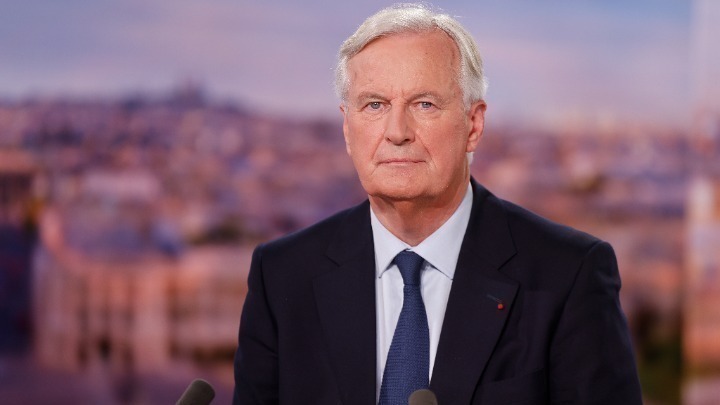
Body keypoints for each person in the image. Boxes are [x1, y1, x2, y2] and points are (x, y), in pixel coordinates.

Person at [233, 3, 642, 404]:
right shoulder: (282, 275)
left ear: (473, 125)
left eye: (424, 104)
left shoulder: (569, 274)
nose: (397, 132)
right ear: (346, 127)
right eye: (374, 105)